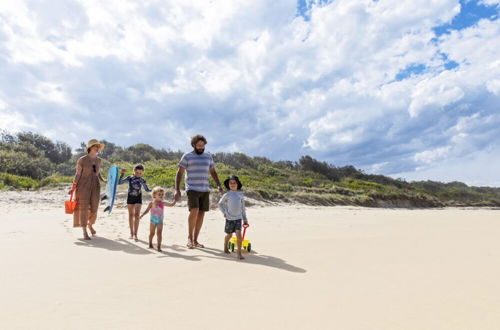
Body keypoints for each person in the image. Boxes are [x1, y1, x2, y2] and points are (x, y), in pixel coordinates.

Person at [174, 134, 224, 249]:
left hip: (205, 189)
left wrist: (219, 185)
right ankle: (189, 239)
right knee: (194, 210)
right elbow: (179, 173)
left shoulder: (208, 157)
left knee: (201, 213)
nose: (201, 147)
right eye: (199, 145)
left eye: (203, 145)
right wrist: (177, 189)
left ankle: (195, 240)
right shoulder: (187, 156)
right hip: (192, 188)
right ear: (194, 145)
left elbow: (213, 172)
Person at [69, 139, 107, 240]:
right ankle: (84, 230)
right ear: (90, 147)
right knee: (84, 208)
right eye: (96, 146)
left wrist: (104, 180)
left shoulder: (99, 160)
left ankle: (90, 224)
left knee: (94, 208)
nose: (98, 148)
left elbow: (98, 173)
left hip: (95, 185)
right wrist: (73, 187)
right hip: (83, 185)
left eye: (99, 147)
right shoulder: (82, 159)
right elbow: (77, 174)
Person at [218, 175, 249, 260]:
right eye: (230, 183)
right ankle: (225, 247)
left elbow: (243, 208)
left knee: (239, 236)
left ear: (237, 184)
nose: (232, 184)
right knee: (229, 235)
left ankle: (239, 254)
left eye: (234, 183)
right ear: (228, 185)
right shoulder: (227, 194)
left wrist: (245, 219)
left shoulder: (240, 195)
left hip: (238, 218)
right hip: (229, 218)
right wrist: (224, 212)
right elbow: (220, 204)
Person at [118, 164, 151, 241]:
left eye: (140, 173)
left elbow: (146, 189)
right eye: (137, 172)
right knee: (130, 215)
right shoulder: (130, 178)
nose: (138, 174)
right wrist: (122, 174)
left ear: (142, 172)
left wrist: (154, 190)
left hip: (138, 198)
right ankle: (131, 233)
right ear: (134, 171)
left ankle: (135, 234)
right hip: (130, 197)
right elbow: (120, 183)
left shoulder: (142, 180)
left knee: (136, 215)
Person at [140, 187, 176, 252]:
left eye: (162, 194)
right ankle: (150, 243)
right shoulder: (152, 203)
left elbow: (171, 205)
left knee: (159, 234)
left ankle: (159, 247)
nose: (161, 196)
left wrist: (175, 200)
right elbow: (147, 210)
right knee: (152, 233)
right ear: (154, 195)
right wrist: (142, 215)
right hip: (152, 221)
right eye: (159, 194)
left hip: (160, 221)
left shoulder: (163, 203)